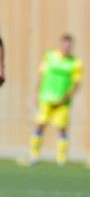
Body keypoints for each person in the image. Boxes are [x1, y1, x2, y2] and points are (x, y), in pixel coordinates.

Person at [29, 35, 82, 165]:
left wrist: (66, 97)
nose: (67, 47)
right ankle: (34, 156)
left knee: (62, 128)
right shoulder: (50, 56)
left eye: (69, 45)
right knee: (39, 125)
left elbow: (77, 83)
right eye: (64, 44)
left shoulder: (75, 63)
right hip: (46, 98)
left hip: (63, 101)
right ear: (60, 44)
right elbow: (41, 76)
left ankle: (61, 159)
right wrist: (36, 94)